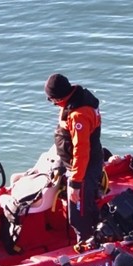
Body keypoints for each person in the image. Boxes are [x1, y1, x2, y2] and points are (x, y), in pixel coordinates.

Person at [44, 73, 104, 252]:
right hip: (76, 163)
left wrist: (76, 184)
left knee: (79, 213)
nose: (52, 103)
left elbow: (81, 151)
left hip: (83, 168)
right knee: (84, 206)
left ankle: (88, 246)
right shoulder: (74, 100)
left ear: (58, 97)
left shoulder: (78, 115)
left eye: (51, 100)